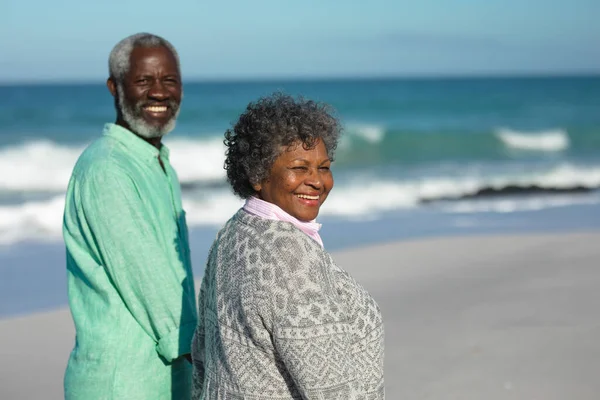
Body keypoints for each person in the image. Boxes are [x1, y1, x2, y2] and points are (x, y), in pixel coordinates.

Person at [191, 93, 385, 399]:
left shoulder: (233, 232)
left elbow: (202, 352)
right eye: (299, 168)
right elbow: (331, 389)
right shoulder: (290, 257)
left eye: (323, 167)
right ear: (258, 174)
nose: (317, 181)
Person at [62, 33, 197, 399]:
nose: (159, 92)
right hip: (123, 383)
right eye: (143, 80)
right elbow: (150, 279)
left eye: (169, 80)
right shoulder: (106, 168)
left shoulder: (158, 163)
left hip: (165, 378)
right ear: (114, 87)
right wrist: (209, 355)